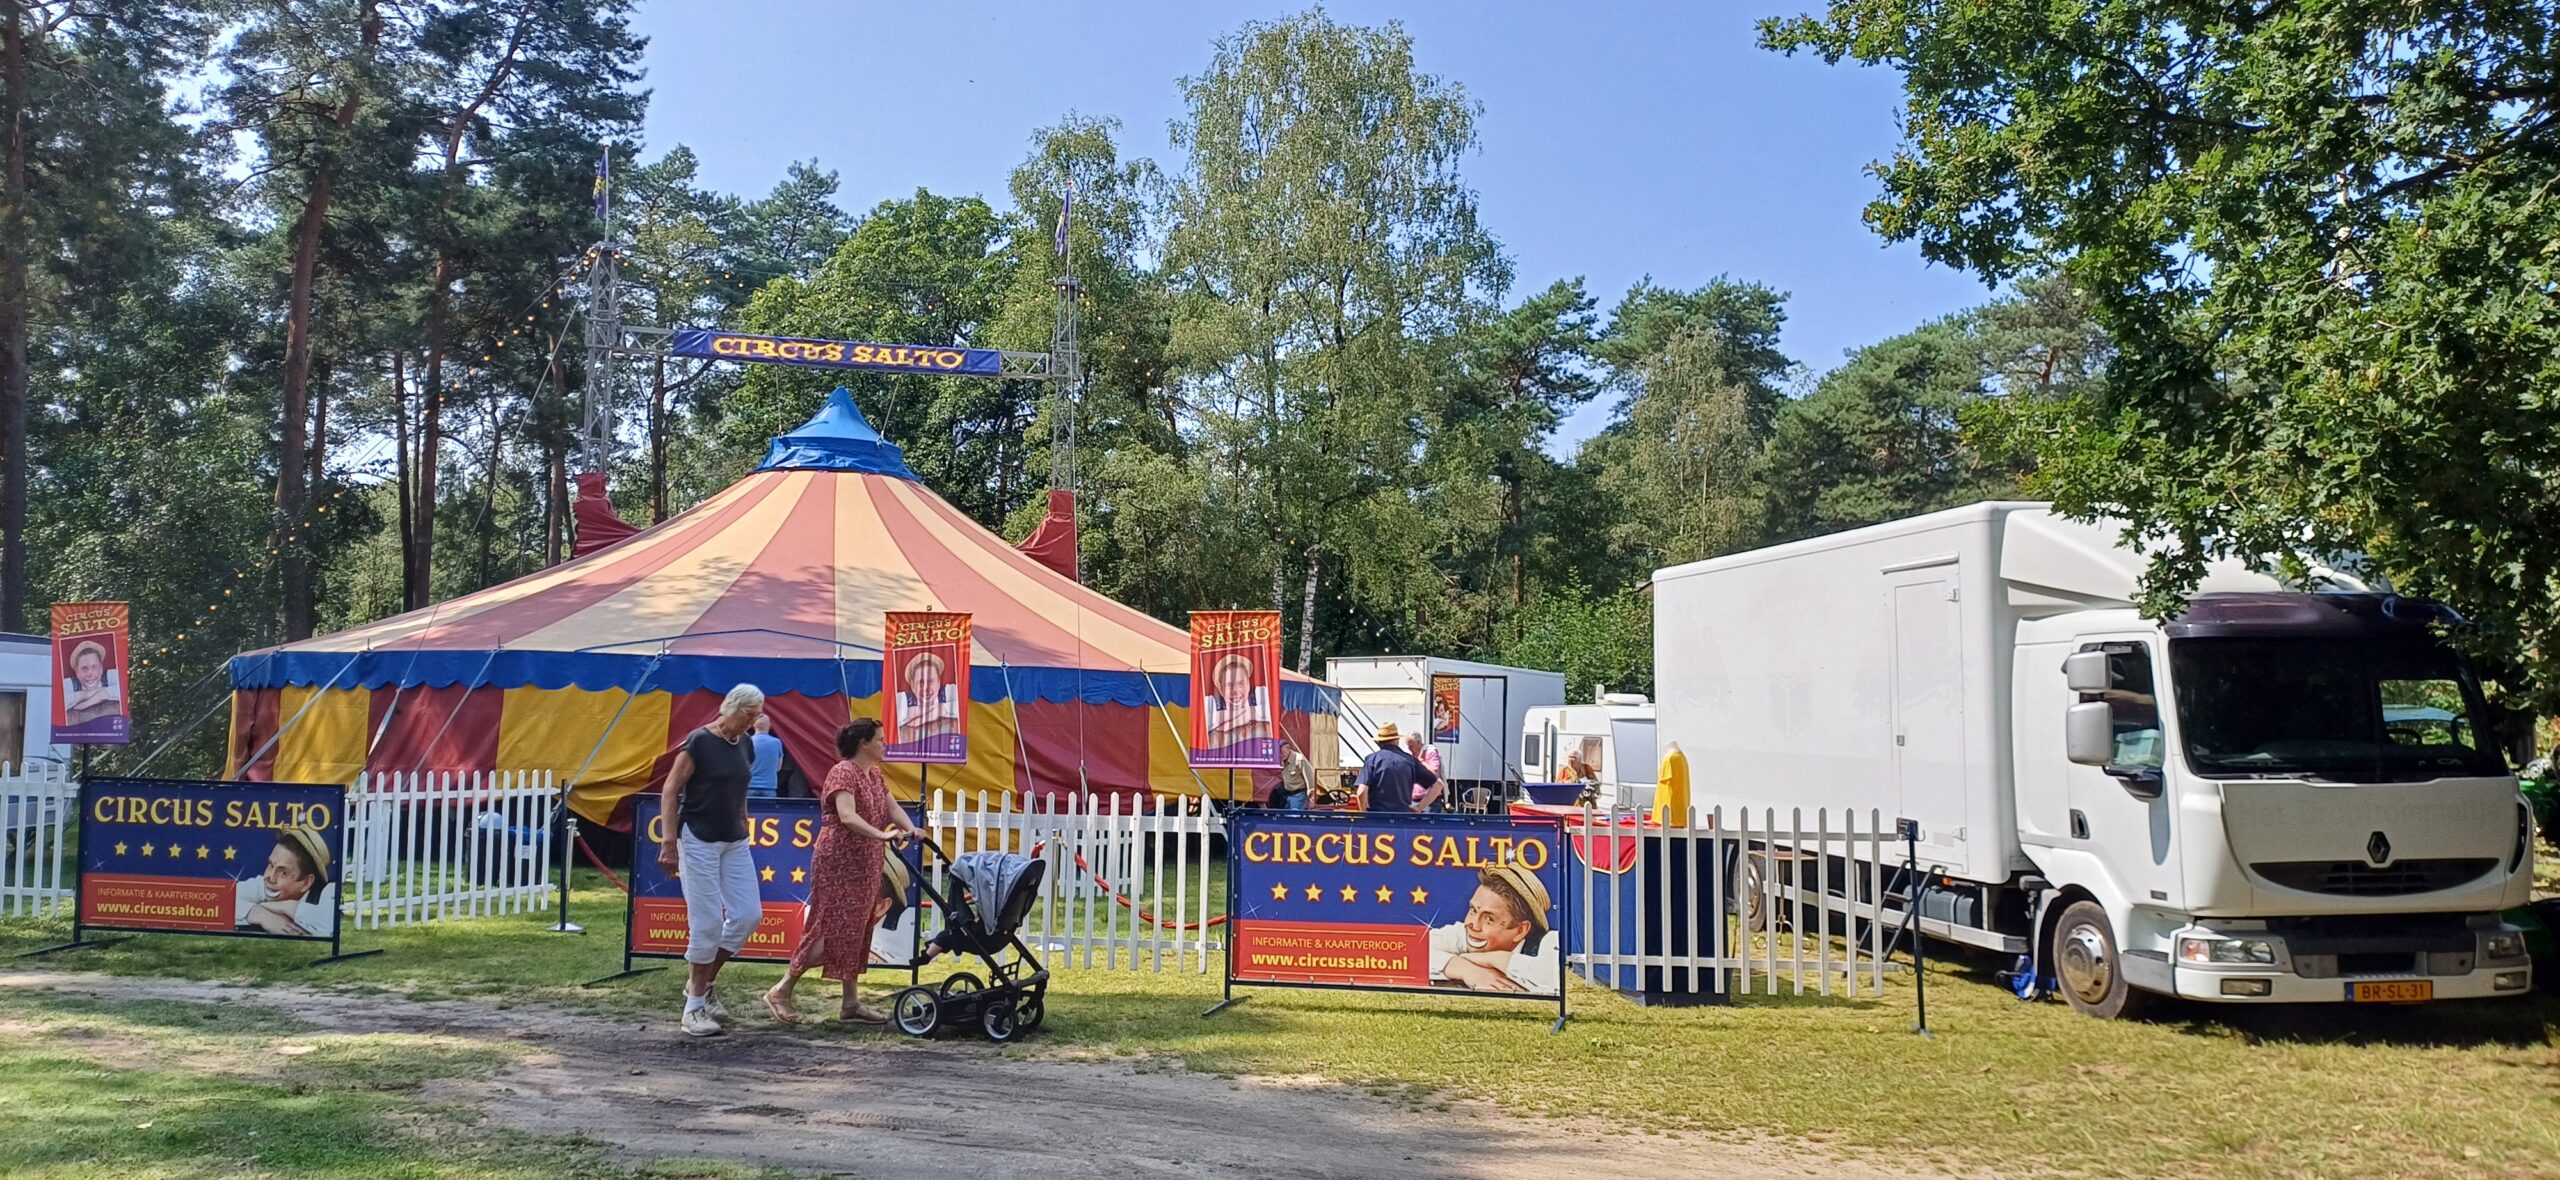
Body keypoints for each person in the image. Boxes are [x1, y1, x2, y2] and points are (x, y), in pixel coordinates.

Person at [765, 718, 923, 1025]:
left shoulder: (875, 775)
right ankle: (781, 990)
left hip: (865, 861)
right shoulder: (843, 772)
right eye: (879, 739)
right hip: (838, 861)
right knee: (828, 930)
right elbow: (847, 816)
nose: (884, 744)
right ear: (864, 743)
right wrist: (881, 835)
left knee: (858, 928)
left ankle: (850, 1003)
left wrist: (909, 827)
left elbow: (892, 808)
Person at [659, 684, 766, 1037]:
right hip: (698, 839)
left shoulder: (746, 744)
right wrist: (669, 842)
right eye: (748, 715)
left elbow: (741, 786)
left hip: (734, 840)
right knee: (705, 922)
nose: (752, 722)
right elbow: (671, 789)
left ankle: (702, 985)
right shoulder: (699, 741)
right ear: (730, 708)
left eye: (756, 716)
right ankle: (692, 1010)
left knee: (748, 914)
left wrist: (744, 819)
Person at [1429, 864, 1560, 994]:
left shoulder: (1550, 942)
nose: (1473, 924)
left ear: (1520, 930)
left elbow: (1552, 978)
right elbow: (1413, 950)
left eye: (1489, 919)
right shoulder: (1464, 934)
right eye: (1473, 910)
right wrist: (1466, 969)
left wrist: (1496, 959)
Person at [235, 827, 335, 938]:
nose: (270, 877)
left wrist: (288, 907)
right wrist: (259, 913)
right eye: (271, 865)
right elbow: (220, 899)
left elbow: (329, 925)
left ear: (307, 882)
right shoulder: (265, 885)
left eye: (283, 872)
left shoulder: (329, 891)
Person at [1355, 722, 1438, 814]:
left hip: (1377, 819)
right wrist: (1419, 807)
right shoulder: (1410, 760)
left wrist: (1363, 815)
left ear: (1379, 742)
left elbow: (1362, 792)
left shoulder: (1372, 760)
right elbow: (1438, 785)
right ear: (1396, 740)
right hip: (1402, 819)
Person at [1202, 653, 1271, 748]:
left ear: (1248, 685)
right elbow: (1201, 723)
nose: (1235, 691)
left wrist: (1227, 720)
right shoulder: (1211, 701)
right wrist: (1249, 713)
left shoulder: (1260, 693)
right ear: (1221, 690)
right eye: (1229, 685)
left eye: (1241, 684)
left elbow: (1273, 712)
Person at [895, 651, 962, 742]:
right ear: (912, 685)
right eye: (921, 682)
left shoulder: (950, 691)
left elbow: (965, 707)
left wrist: (939, 710)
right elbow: (890, 718)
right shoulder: (902, 698)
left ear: (938, 682)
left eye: (930, 681)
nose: (926, 688)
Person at [62, 640, 122, 725]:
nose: (90, 674)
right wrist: (84, 695)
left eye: (94, 667)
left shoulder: (110, 676)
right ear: (77, 672)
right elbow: (57, 703)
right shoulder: (70, 684)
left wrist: (100, 695)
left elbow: (124, 689)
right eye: (84, 669)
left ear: (101, 668)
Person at [1404, 734, 1445, 811]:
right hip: (1414, 800)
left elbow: (1435, 772)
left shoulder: (1430, 752)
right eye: (1408, 746)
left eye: (1411, 746)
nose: (1409, 749)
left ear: (1419, 743)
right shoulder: (1412, 755)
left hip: (1430, 801)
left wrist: (1421, 761)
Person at [747, 714, 784, 799]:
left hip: (750, 786)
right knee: (768, 812)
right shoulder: (776, 742)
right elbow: (778, 767)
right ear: (770, 726)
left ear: (753, 725)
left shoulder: (748, 741)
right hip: (769, 787)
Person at [1274, 740, 1317, 810]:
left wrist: (1312, 796)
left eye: (1283, 752)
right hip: (1286, 795)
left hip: (1299, 795)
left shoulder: (1299, 760)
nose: (1281, 755)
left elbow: (1310, 778)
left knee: (1294, 817)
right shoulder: (1281, 760)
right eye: (1279, 753)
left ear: (1288, 749)